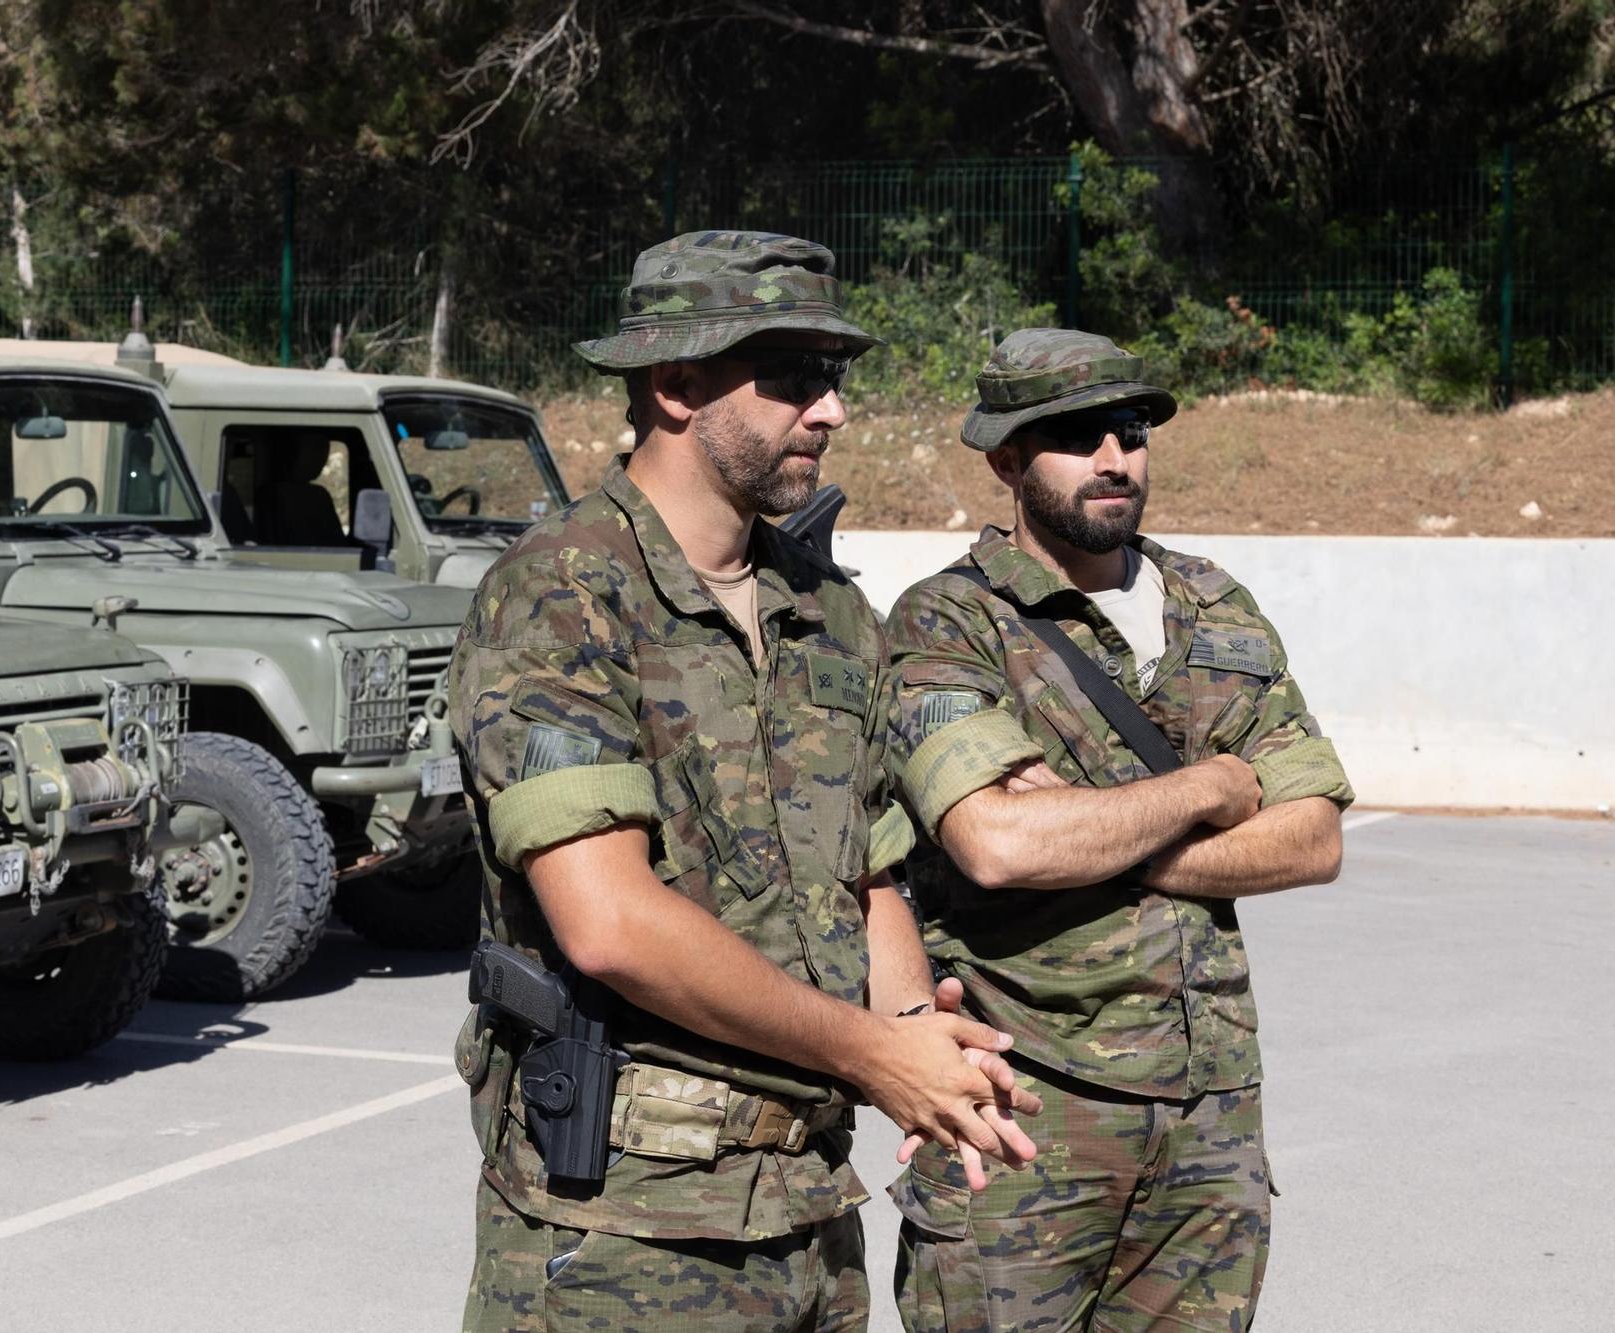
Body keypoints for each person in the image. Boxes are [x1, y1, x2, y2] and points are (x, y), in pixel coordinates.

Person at [449, 231, 1041, 1333]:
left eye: (833, 378)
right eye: (791, 378)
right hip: (624, 1238)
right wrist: (875, 1055)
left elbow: (864, 876)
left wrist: (919, 1036)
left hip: (808, 1219)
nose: (829, 412)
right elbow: (608, 921)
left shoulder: (826, 610)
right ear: (674, 384)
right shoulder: (563, 595)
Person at [882, 328, 1352, 1332]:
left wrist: (1089, 827)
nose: (1114, 457)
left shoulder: (1212, 605)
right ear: (1004, 459)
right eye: (1074, 434)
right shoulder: (946, 623)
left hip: (1209, 1114)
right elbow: (998, 846)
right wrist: (1213, 783)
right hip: (1024, 1113)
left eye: (1130, 430)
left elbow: (1311, 837)